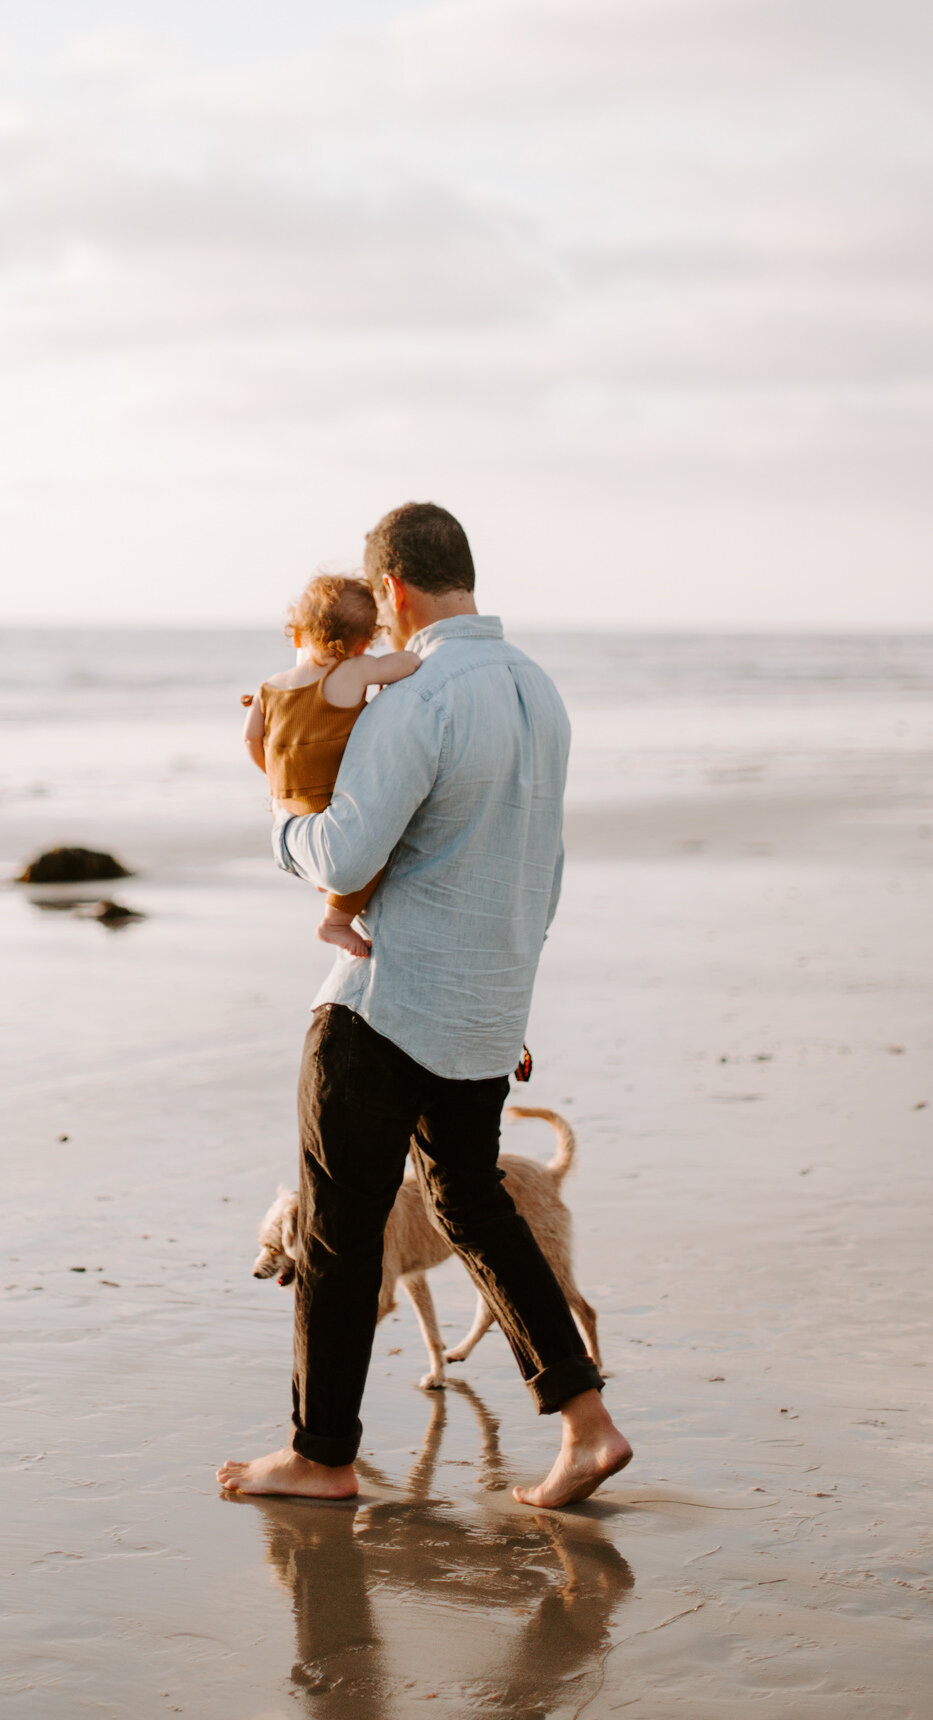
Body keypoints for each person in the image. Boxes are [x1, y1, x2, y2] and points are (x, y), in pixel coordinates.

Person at [218, 501, 632, 1510]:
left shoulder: (415, 692)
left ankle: (322, 1454)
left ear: (392, 591)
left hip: (384, 1004)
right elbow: (541, 867)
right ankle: (587, 1424)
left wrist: (278, 811)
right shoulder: (540, 689)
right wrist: (507, 993)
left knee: (336, 1226)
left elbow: (343, 853)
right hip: (484, 1007)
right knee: (473, 1206)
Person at [241, 572, 420, 957]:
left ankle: (326, 882)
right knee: (375, 854)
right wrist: (404, 651)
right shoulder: (352, 671)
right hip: (330, 795)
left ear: (296, 635)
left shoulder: (269, 686)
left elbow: (251, 739)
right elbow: (406, 663)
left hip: (287, 800)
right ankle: (335, 923)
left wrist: (275, 782)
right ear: (362, 642)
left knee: (335, 859)